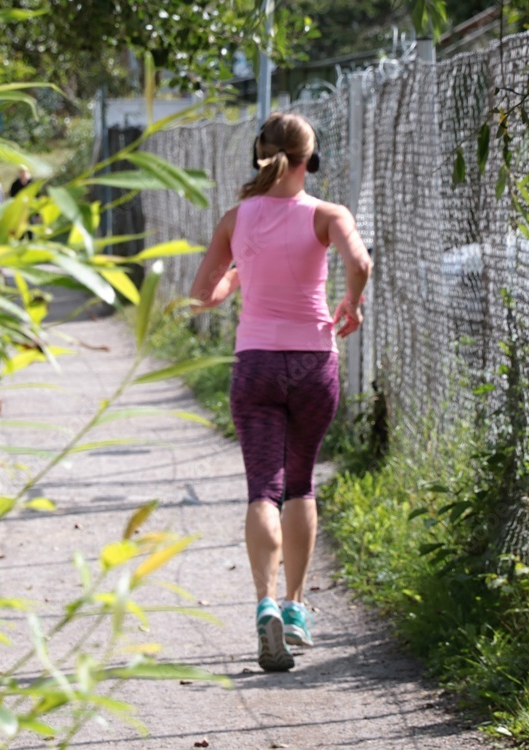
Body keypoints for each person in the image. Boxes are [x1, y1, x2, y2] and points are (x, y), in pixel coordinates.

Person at [189, 112, 372, 672]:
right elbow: (360, 262)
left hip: (257, 366)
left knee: (262, 490)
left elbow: (202, 296)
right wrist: (351, 303)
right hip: (315, 363)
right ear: (309, 161)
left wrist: (240, 272)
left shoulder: (235, 219)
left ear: (259, 154)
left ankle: (264, 603)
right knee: (300, 484)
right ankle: (294, 609)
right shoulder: (328, 215)